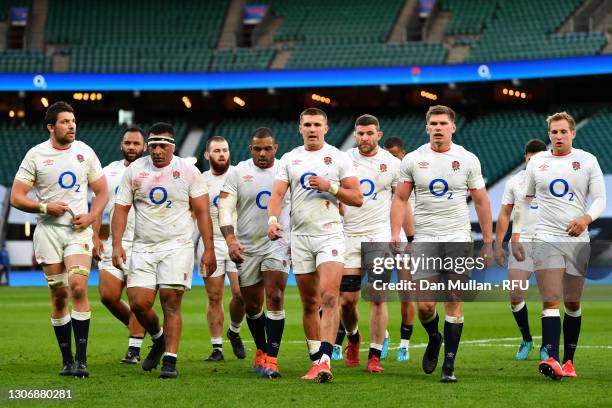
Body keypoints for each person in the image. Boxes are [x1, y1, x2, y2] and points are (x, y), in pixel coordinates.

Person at [390, 105, 493, 383]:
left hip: (458, 238)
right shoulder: (412, 159)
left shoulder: (468, 159)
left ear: (452, 127)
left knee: (454, 302)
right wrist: (394, 234)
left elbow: (482, 201)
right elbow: (400, 199)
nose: (438, 128)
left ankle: (449, 366)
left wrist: (488, 241)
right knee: (424, 305)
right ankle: (435, 337)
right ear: (427, 128)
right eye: (433, 123)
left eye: (442, 123)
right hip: (424, 239)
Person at [11, 101, 109, 377]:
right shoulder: (36, 155)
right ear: (51, 127)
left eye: (73, 121)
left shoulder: (85, 152)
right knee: (59, 295)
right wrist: (44, 207)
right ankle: (67, 360)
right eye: (65, 122)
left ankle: (82, 360)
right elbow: (16, 196)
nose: (71, 126)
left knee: (78, 287)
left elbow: (101, 192)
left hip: (77, 232)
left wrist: (92, 217)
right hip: (48, 232)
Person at [112, 122, 216, 379]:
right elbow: (121, 209)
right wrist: (116, 244)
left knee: (170, 301)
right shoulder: (135, 170)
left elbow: (203, 212)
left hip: (177, 245)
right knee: (139, 303)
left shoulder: (189, 172)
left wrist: (209, 248)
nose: (158, 151)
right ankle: (158, 339)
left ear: (173, 147)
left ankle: (170, 359)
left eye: (163, 146)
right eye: (154, 146)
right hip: (143, 247)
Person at [267, 107, 363, 382]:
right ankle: (315, 358)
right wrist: (273, 219)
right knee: (309, 302)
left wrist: (329, 187)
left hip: (330, 234)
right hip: (300, 237)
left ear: (326, 127)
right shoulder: (290, 158)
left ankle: (324, 361)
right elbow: (277, 193)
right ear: (300, 128)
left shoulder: (339, 158)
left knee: (330, 296)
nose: (311, 129)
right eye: (307, 124)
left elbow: (357, 198)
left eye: (316, 124)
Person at [513, 112, 605, 380]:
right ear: (549, 135)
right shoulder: (538, 162)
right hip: (545, 238)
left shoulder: (587, 161)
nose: (558, 136)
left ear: (573, 133)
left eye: (563, 131)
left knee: (572, 302)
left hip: (577, 240)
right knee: (550, 299)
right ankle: (552, 358)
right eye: (554, 132)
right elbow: (525, 200)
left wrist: (586, 218)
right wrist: (517, 233)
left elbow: (600, 199)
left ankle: (569, 361)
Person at [219, 127, 290, 378]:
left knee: (276, 296)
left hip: (278, 241)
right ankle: (261, 349)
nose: (262, 153)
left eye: (267, 148)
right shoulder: (238, 173)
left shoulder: (285, 170)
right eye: (258, 148)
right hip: (247, 245)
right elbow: (225, 208)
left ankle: (272, 358)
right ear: (251, 149)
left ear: (275, 148)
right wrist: (230, 240)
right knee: (251, 304)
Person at [338, 114, 407, 373]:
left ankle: (375, 356)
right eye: (360, 133)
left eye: (369, 133)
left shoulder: (391, 163)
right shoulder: (344, 159)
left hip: (378, 236)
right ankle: (353, 337)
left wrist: (399, 235)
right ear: (355, 135)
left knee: (378, 297)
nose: (365, 138)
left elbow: (400, 201)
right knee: (346, 300)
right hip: (349, 236)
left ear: (378, 135)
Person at [93, 126, 147, 364]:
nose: (132, 147)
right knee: (108, 295)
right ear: (121, 145)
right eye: (128, 143)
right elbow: (97, 207)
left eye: (136, 144)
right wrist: (94, 236)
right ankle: (144, 326)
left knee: (137, 298)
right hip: (114, 241)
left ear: (144, 146)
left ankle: (134, 348)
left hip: (144, 242)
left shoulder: (154, 171)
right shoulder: (108, 172)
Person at [494, 139, 547, 361]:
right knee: (515, 295)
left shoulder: (554, 182)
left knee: (550, 297)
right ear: (525, 158)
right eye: (529, 158)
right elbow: (505, 213)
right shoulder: (514, 182)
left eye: (538, 158)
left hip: (548, 242)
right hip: (520, 242)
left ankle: (548, 344)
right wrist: (498, 244)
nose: (533, 162)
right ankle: (526, 338)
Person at [199, 136, 246, 362]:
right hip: (211, 243)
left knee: (241, 293)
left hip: (237, 242)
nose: (222, 154)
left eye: (225, 150)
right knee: (214, 296)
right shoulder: (200, 181)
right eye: (217, 151)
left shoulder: (239, 176)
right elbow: (194, 214)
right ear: (207, 155)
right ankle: (217, 347)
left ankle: (234, 331)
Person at [383, 136, 416, 362]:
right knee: (379, 294)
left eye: (395, 155)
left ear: (402, 154)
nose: (392, 160)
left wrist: (413, 239)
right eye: (389, 156)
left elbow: (409, 210)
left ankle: (404, 344)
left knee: (406, 293)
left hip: (404, 239)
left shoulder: (411, 176)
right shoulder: (383, 175)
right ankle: (382, 335)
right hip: (381, 237)